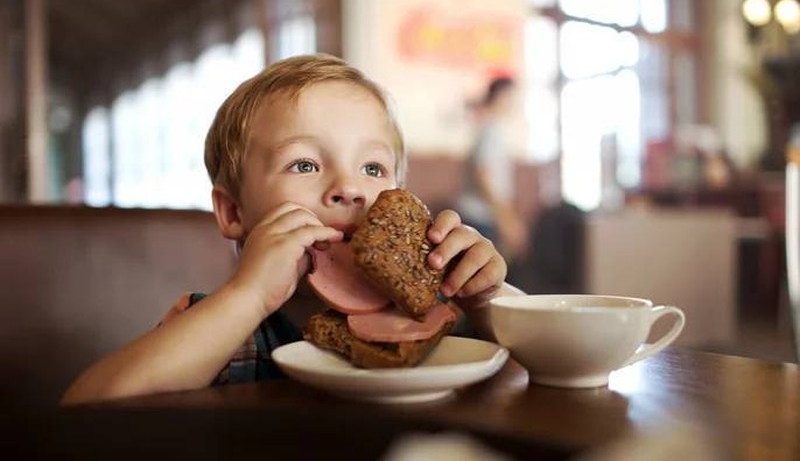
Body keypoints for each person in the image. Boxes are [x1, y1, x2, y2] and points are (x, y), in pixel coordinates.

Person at [61, 54, 525, 405]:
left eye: (373, 168)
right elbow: (92, 409)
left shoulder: (437, 311)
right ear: (233, 213)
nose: (349, 188)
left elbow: (556, 372)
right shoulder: (224, 326)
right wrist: (248, 296)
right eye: (304, 164)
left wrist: (489, 300)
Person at [458, 76, 528, 263]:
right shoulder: (490, 132)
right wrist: (507, 220)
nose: (515, 103)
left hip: (482, 217)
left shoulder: (488, 129)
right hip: (480, 218)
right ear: (501, 96)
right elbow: (484, 177)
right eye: (512, 97)